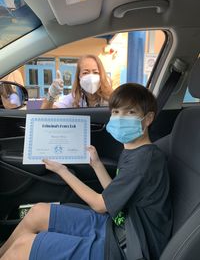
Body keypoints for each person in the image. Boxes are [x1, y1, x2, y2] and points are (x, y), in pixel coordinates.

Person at [0, 83, 172, 260]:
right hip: (116, 224)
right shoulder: (134, 150)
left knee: (22, 248)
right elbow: (114, 192)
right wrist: (96, 164)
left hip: (129, 245)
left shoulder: (145, 160)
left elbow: (99, 204)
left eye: (130, 112)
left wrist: (63, 171)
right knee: (37, 212)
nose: (120, 118)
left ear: (148, 118)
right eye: (115, 112)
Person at [41, 54, 113, 109]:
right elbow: (45, 111)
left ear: (102, 75)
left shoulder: (111, 98)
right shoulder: (74, 98)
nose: (91, 77)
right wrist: (51, 94)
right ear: (79, 77)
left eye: (95, 72)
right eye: (85, 72)